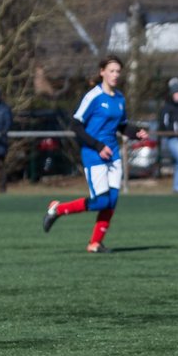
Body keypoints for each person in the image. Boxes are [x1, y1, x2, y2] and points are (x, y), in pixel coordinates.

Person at [41, 56, 149, 252]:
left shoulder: (120, 99)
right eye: (112, 71)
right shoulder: (93, 96)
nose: (115, 75)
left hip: (113, 156)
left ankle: (95, 243)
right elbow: (75, 125)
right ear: (102, 72)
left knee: (112, 201)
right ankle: (57, 209)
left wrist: (136, 133)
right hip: (94, 155)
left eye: (118, 71)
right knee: (100, 201)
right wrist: (98, 146)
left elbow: (122, 126)